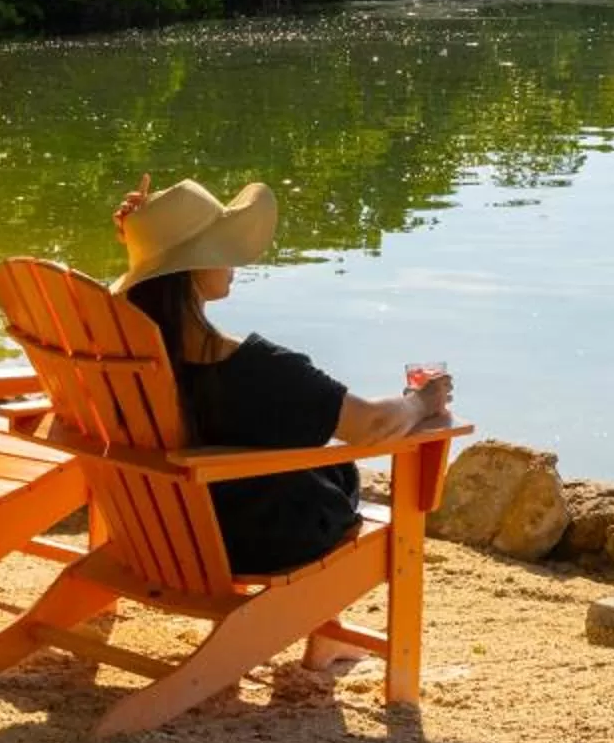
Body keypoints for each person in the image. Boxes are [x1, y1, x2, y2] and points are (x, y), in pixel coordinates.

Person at [109, 173, 455, 576]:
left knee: (324, 473)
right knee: (333, 484)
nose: (233, 259)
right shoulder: (259, 370)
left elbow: (139, 294)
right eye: (220, 247)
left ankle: (325, 640)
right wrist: (422, 401)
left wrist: (144, 239)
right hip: (253, 539)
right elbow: (371, 424)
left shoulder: (120, 359)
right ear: (191, 269)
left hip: (158, 528)